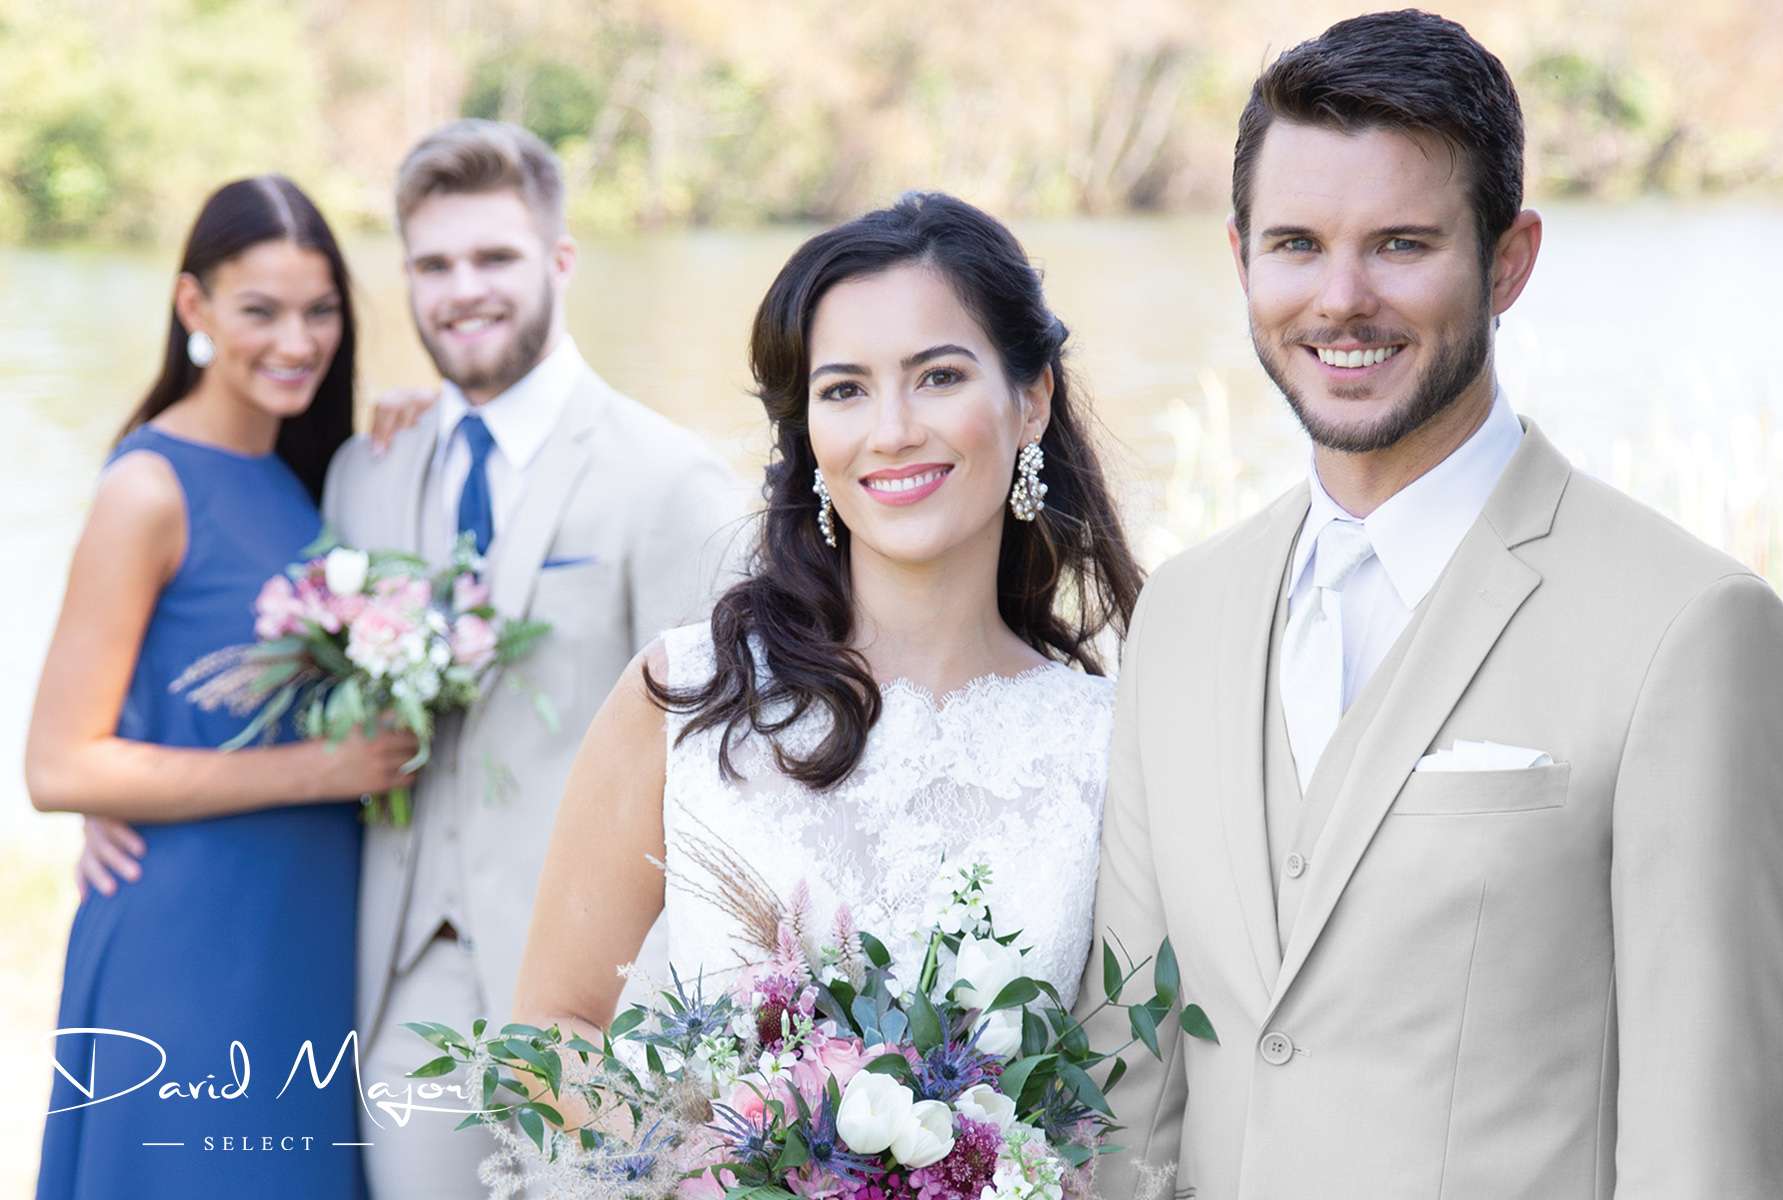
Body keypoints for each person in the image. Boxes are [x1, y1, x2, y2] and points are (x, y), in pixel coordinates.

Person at [1086, 11, 1783, 1198]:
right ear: (1242, 257)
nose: (1342, 298)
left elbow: (1711, 1157)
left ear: (1509, 260)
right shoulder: (1184, 614)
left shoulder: (1694, 630)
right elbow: (1127, 1091)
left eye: (1401, 245)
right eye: (1298, 244)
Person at [512, 191, 1139, 1082]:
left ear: (1031, 399)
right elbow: (547, 1030)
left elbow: (1138, 1093)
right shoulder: (687, 697)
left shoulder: (1110, 741)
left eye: (939, 377)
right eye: (845, 390)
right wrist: (703, 1151)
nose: (892, 432)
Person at [325, 119, 741, 1198]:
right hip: (405, 987)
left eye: (494, 257)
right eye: (433, 265)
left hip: (604, 1010)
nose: (463, 290)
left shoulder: (668, 481)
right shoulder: (367, 473)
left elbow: (724, 777)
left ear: (560, 259)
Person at [29, 175, 416, 1199]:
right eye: (261, 311)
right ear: (193, 305)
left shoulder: (306, 475)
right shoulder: (147, 488)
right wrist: (323, 771)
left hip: (309, 935)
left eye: (321, 311)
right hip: (191, 946)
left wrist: (423, 428)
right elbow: (60, 765)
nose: (298, 341)